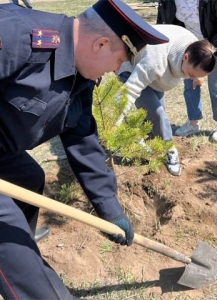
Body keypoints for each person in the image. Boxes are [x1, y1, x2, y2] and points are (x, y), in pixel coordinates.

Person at [0, 0, 169, 299]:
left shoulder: (80, 75)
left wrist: (109, 210)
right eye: (120, 61)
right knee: (25, 269)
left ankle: (20, 247)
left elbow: (82, 138)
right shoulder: (15, 34)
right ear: (101, 44)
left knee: (29, 177)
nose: (118, 70)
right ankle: (18, 262)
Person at [117, 25, 217, 176]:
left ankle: (145, 145)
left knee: (157, 118)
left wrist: (197, 76)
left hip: (156, 79)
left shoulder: (195, 48)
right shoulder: (155, 60)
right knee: (158, 114)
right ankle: (170, 150)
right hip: (132, 70)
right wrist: (114, 124)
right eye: (191, 74)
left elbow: (195, 66)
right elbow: (129, 91)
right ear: (185, 57)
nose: (191, 78)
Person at [157, 0, 217, 142]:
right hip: (190, 45)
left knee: (216, 85)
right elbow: (164, 24)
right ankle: (193, 123)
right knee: (190, 83)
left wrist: (206, 59)